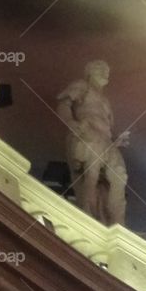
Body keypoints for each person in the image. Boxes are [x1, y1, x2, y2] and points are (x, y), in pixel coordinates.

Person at [56, 60, 128, 225]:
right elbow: (64, 104)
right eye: (99, 68)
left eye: (107, 69)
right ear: (88, 72)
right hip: (88, 135)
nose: (105, 71)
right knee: (91, 175)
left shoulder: (106, 100)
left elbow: (106, 124)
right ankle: (89, 218)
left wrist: (117, 141)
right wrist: (71, 123)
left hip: (106, 141)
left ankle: (117, 223)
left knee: (120, 175)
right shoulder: (82, 86)